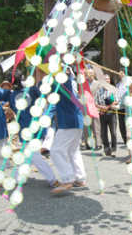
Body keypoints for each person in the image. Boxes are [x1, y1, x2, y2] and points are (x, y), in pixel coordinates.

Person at [7, 69, 59, 188]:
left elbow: (11, 111)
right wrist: (39, 74)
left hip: (24, 129)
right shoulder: (32, 89)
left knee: (30, 155)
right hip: (37, 127)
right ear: (23, 77)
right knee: (31, 155)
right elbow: (43, 97)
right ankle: (52, 179)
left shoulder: (12, 95)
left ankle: (19, 178)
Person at [49, 66, 85, 194]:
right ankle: (80, 178)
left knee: (55, 150)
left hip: (69, 121)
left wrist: (39, 72)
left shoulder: (62, 82)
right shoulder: (70, 81)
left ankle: (67, 179)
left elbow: (42, 88)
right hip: (76, 120)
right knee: (73, 151)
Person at [95, 74, 118, 157]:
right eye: (104, 79)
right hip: (102, 114)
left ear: (110, 81)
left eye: (107, 79)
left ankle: (113, 149)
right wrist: (101, 107)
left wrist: (107, 108)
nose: (106, 81)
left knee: (113, 133)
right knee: (103, 133)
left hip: (111, 113)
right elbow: (96, 103)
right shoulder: (98, 91)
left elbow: (116, 101)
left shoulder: (113, 90)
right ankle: (106, 149)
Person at [84, 68, 102, 151]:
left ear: (94, 74)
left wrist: (92, 102)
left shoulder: (98, 84)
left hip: (94, 107)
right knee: (86, 127)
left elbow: (99, 95)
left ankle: (98, 144)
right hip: (85, 108)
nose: (90, 75)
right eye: (88, 73)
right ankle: (88, 144)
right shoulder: (84, 84)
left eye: (91, 73)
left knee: (96, 127)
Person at [116, 68, 128, 144]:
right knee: (121, 123)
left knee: (128, 122)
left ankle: (131, 137)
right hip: (120, 106)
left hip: (127, 106)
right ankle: (124, 138)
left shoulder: (128, 83)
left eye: (122, 73)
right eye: (119, 73)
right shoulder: (118, 84)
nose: (120, 75)